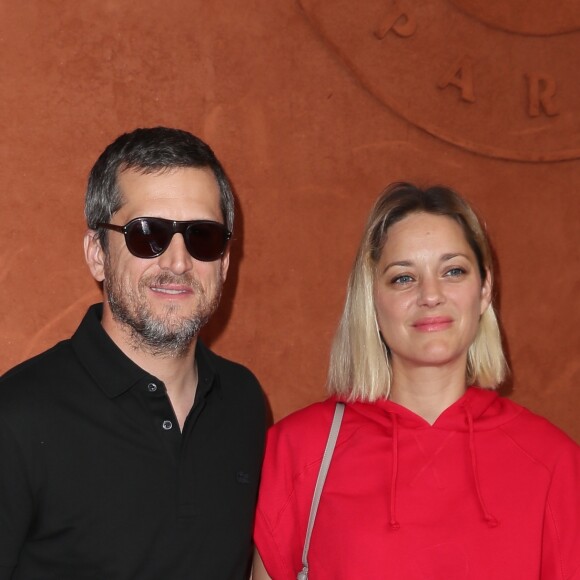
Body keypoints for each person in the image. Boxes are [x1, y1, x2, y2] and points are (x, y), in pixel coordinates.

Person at [252, 183, 580, 579]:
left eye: (453, 271)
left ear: (484, 290)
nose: (431, 295)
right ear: (371, 297)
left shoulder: (553, 462)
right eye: (403, 278)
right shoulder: (298, 449)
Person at [0, 127, 266, 579]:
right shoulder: (16, 416)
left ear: (223, 263)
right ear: (97, 253)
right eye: (149, 234)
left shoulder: (243, 402)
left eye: (201, 237)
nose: (178, 261)